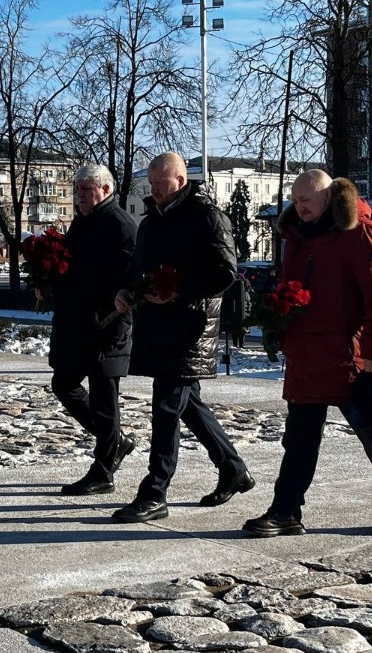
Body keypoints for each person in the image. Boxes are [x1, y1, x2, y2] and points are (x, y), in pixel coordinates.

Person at [242, 170, 372, 538]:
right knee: (299, 437)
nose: (299, 206)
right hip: (307, 353)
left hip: (348, 354)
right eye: (295, 199)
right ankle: (286, 510)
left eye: (306, 199)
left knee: (371, 428)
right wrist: (278, 320)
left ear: (328, 198)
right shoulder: (297, 237)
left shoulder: (360, 233)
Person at [110, 152, 252, 523]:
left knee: (167, 405)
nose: (154, 190)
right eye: (151, 184)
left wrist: (181, 290)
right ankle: (233, 469)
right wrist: (129, 291)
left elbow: (225, 272)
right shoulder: (152, 221)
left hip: (192, 327)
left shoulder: (207, 217)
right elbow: (138, 269)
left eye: (160, 184)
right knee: (188, 406)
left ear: (180, 181)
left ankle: (155, 491)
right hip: (160, 323)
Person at [47, 163, 138, 496]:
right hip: (77, 325)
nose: (79, 195)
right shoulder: (82, 222)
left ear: (106, 190)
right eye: (77, 189)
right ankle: (117, 441)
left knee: (104, 400)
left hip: (106, 327)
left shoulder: (120, 225)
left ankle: (103, 472)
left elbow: (128, 284)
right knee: (64, 383)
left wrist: (115, 328)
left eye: (86, 189)